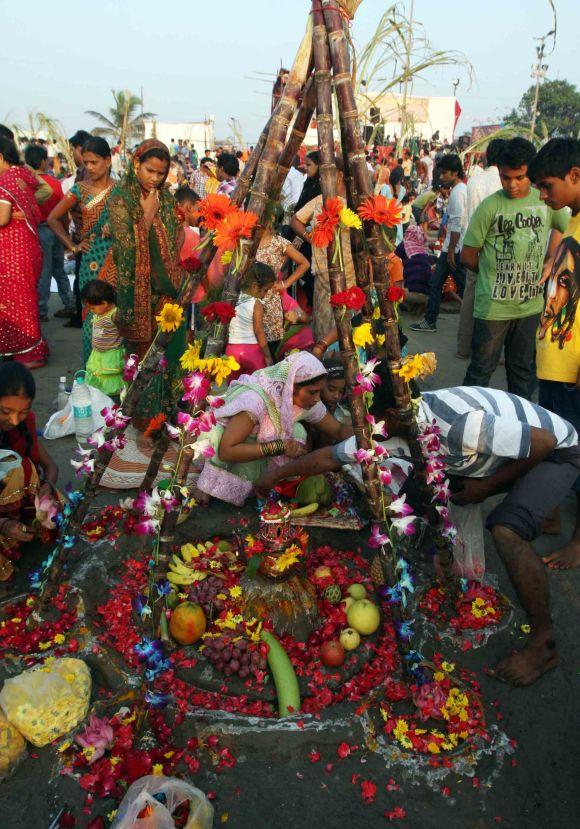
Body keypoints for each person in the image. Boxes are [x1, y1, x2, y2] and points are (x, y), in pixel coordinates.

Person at [257, 378, 580, 687]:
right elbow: (329, 456)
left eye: (371, 420)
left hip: (555, 452)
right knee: (425, 492)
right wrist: (274, 477)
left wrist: (488, 487)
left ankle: (543, 644)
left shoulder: (461, 425)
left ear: (394, 416)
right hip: (495, 454)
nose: (366, 430)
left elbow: (544, 442)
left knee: (506, 530)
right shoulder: (394, 425)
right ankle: (521, 519)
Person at [461, 137, 569, 398]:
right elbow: (468, 256)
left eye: (519, 177)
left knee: (521, 374)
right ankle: (463, 422)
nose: (511, 184)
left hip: (530, 308)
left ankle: (522, 429)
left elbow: (564, 228)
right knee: (480, 372)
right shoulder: (490, 207)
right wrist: (492, 274)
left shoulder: (545, 201)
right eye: (505, 177)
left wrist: (551, 258)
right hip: (492, 309)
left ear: (529, 174)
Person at [196, 352, 353, 506]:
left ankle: (261, 482)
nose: (317, 398)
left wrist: (367, 438)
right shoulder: (255, 400)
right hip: (226, 449)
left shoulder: (306, 402)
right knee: (293, 433)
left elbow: (338, 430)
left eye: (319, 391)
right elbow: (227, 451)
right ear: (291, 386)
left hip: (255, 447)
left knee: (297, 431)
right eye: (313, 392)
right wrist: (281, 447)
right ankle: (211, 486)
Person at [107, 139, 186, 429]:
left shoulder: (164, 196)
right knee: (146, 360)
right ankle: (144, 421)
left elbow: (174, 236)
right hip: (140, 293)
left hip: (167, 289)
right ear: (136, 164)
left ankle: (167, 415)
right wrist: (147, 215)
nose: (155, 178)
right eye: (150, 171)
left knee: (171, 356)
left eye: (161, 173)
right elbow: (124, 248)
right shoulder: (121, 198)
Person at [527, 137, 580, 570]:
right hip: (556, 363)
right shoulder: (574, 222)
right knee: (561, 444)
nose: (544, 198)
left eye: (547, 187)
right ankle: (551, 510)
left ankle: (579, 543)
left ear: (574, 176)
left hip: (574, 368)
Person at [47, 137, 115, 363]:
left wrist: (116, 226)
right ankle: (91, 371)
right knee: (91, 316)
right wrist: (73, 246)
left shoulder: (121, 190)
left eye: (94, 162)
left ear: (108, 160)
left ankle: (114, 373)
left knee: (115, 314)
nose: (89, 167)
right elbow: (53, 218)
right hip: (90, 261)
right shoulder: (80, 190)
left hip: (116, 259)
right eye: (86, 162)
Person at [0, 363, 59, 579]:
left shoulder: (23, 426)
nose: (14, 420)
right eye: (6, 412)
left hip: (14, 504)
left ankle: (18, 533)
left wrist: (47, 487)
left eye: (23, 412)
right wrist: (3, 524)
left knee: (53, 503)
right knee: (19, 470)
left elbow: (50, 466)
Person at [290, 157, 356, 341]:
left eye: (325, 175)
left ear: (340, 175)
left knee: (347, 326)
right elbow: (295, 220)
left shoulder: (353, 202)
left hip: (349, 274)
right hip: (321, 273)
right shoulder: (320, 200)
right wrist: (310, 238)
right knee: (322, 323)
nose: (320, 180)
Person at [0, 138, 49, 369]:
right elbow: (42, 190)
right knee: (24, 298)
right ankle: (22, 349)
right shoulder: (22, 174)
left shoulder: (5, 180)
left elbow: (2, 218)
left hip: (14, 250)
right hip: (28, 245)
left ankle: (31, 354)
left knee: (19, 302)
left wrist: (13, 213)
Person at [457, 138, 507, 358]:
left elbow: (467, 217)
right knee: (497, 300)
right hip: (498, 249)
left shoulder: (475, 181)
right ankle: (491, 352)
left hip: (474, 247)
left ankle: (463, 347)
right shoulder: (505, 181)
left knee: (470, 297)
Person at [410, 154, 467, 333]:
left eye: (445, 173)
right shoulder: (460, 190)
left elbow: (457, 224)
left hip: (454, 248)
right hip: (454, 246)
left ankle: (431, 320)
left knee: (458, 285)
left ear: (455, 173)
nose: (441, 177)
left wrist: (450, 251)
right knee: (441, 283)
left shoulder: (458, 193)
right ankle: (430, 319)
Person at [24, 144, 76, 322]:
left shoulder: (27, 184)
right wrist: (65, 234)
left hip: (39, 230)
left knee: (43, 272)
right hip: (56, 230)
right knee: (59, 269)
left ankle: (41, 310)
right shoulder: (55, 184)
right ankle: (69, 302)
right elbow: (63, 213)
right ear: (43, 162)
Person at [255, 221, 311, 358]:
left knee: (271, 345)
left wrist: (285, 284)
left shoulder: (279, 242)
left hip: (271, 301)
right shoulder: (247, 241)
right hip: (249, 299)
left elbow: (304, 263)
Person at [226, 262, 276, 375]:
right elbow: (258, 330)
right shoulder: (256, 303)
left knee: (234, 388)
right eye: (265, 290)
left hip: (232, 350)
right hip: (252, 351)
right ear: (254, 286)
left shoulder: (232, 298)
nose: (266, 294)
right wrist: (268, 356)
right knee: (256, 386)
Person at [80, 279, 125, 397]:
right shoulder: (100, 312)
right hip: (98, 353)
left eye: (92, 308)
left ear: (104, 303)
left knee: (108, 377)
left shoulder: (114, 315)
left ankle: (110, 398)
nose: (91, 310)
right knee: (96, 375)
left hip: (110, 354)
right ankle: (99, 396)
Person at [395, 225, 432, 295]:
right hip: (427, 288)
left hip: (411, 287)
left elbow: (394, 258)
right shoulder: (422, 248)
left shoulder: (404, 244)